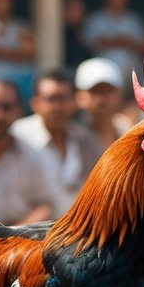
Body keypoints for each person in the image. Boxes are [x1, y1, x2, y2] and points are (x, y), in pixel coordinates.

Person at [0, 78, 66, 224]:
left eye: (6, 107)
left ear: (19, 111)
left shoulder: (32, 154)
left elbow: (46, 205)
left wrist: (12, 236)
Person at [15, 69, 104, 197]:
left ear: (74, 102)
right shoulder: (17, 136)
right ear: (35, 103)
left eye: (63, 99)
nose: (57, 107)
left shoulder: (85, 138)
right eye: (51, 99)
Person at [82, 0, 144, 73]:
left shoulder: (134, 19)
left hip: (132, 73)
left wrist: (122, 42)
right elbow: (89, 44)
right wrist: (121, 41)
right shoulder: (95, 19)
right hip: (102, 73)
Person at [73, 58, 134, 150]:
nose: (103, 97)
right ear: (80, 97)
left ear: (120, 94)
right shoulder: (72, 136)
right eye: (96, 91)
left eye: (109, 90)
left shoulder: (127, 129)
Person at [62, 0, 92, 68]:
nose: (74, 12)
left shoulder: (90, 31)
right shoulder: (58, 35)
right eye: (70, 8)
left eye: (77, 9)